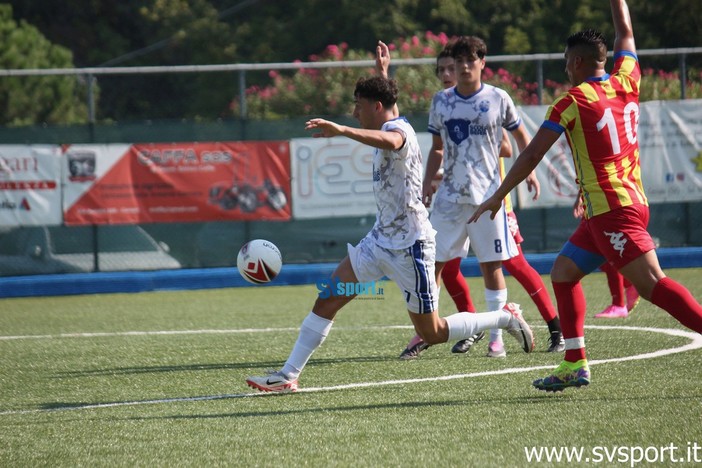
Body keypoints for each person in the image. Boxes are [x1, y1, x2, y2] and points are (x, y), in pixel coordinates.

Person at [245, 70, 535, 393]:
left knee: (432, 333)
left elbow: (392, 139)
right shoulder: (388, 120)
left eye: (358, 106)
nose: (355, 113)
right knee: (327, 297)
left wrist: (341, 130)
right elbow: (385, 116)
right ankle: (288, 376)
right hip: (379, 241)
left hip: (411, 247)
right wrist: (382, 72)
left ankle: (504, 317)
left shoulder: (399, 131)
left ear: (377, 105)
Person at [469, 0, 702, 391]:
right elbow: (625, 32)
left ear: (576, 63)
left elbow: (531, 154)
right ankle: (575, 362)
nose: (564, 69)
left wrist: (498, 195)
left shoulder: (572, 101)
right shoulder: (627, 79)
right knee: (563, 272)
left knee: (652, 284)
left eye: (565, 62)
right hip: (615, 208)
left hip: (614, 211)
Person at [394, 36, 543, 360]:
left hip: (489, 198)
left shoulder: (498, 98)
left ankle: (496, 340)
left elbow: (519, 137)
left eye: (469, 60)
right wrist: (425, 185)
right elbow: (436, 148)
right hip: (449, 198)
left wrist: (529, 170)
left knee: (491, 267)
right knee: (431, 265)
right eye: (458, 61)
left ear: (481, 63)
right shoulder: (441, 102)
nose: (463, 67)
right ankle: (423, 333)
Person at [573, 197, 640, 318]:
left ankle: (618, 304)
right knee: (594, 250)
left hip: (604, 204)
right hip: (598, 203)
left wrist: (581, 197)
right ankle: (629, 284)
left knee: (600, 251)